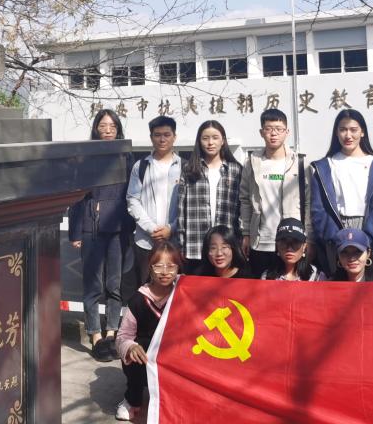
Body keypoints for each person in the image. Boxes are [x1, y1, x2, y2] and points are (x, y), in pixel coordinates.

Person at [68, 109, 129, 361]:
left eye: (112, 126)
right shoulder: (86, 158)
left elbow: (132, 195)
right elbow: (76, 197)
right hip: (91, 229)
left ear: (118, 129)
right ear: (95, 129)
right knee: (93, 286)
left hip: (119, 230)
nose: (107, 130)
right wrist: (75, 232)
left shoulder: (126, 157)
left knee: (115, 285)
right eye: (103, 125)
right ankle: (95, 335)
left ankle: (112, 333)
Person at [310, 109, 373, 275]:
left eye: (353, 130)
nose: (348, 135)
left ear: (362, 132)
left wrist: (367, 238)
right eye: (343, 130)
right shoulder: (324, 166)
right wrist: (336, 238)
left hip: (371, 230)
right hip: (337, 229)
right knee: (339, 284)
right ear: (336, 133)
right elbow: (318, 209)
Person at [115, 241, 183, 422]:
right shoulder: (138, 299)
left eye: (171, 266)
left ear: (178, 268)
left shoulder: (183, 295)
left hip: (174, 354)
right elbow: (123, 336)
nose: (165, 272)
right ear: (150, 268)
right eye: (158, 266)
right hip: (146, 357)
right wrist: (130, 347)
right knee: (137, 349)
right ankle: (132, 399)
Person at [239, 108, 311, 276]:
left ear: (287, 132)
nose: (273, 134)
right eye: (269, 129)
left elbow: (308, 202)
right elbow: (245, 200)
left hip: (292, 241)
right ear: (261, 132)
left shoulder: (300, 164)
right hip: (260, 241)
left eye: (279, 129)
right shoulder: (251, 163)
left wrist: (309, 237)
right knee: (261, 288)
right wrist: (246, 233)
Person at [176, 120, 243, 273]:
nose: (210, 142)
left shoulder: (235, 170)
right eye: (205, 138)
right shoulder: (190, 170)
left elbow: (242, 208)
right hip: (196, 244)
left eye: (215, 137)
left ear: (223, 140)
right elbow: (181, 210)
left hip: (226, 247)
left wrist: (240, 239)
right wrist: (181, 243)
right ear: (199, 141)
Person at [126, 116, 184, 286]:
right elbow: (132, 200)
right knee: (146, 287)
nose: (162, 139)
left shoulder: (185, 167)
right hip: (146, 242)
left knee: (175, 289)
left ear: (174, 137)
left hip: (176, 241)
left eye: (167, 134)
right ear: (151, 137)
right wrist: (152, 229)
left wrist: (171, 228)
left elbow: (188, 205)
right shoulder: (141, 166)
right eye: (157, 135)